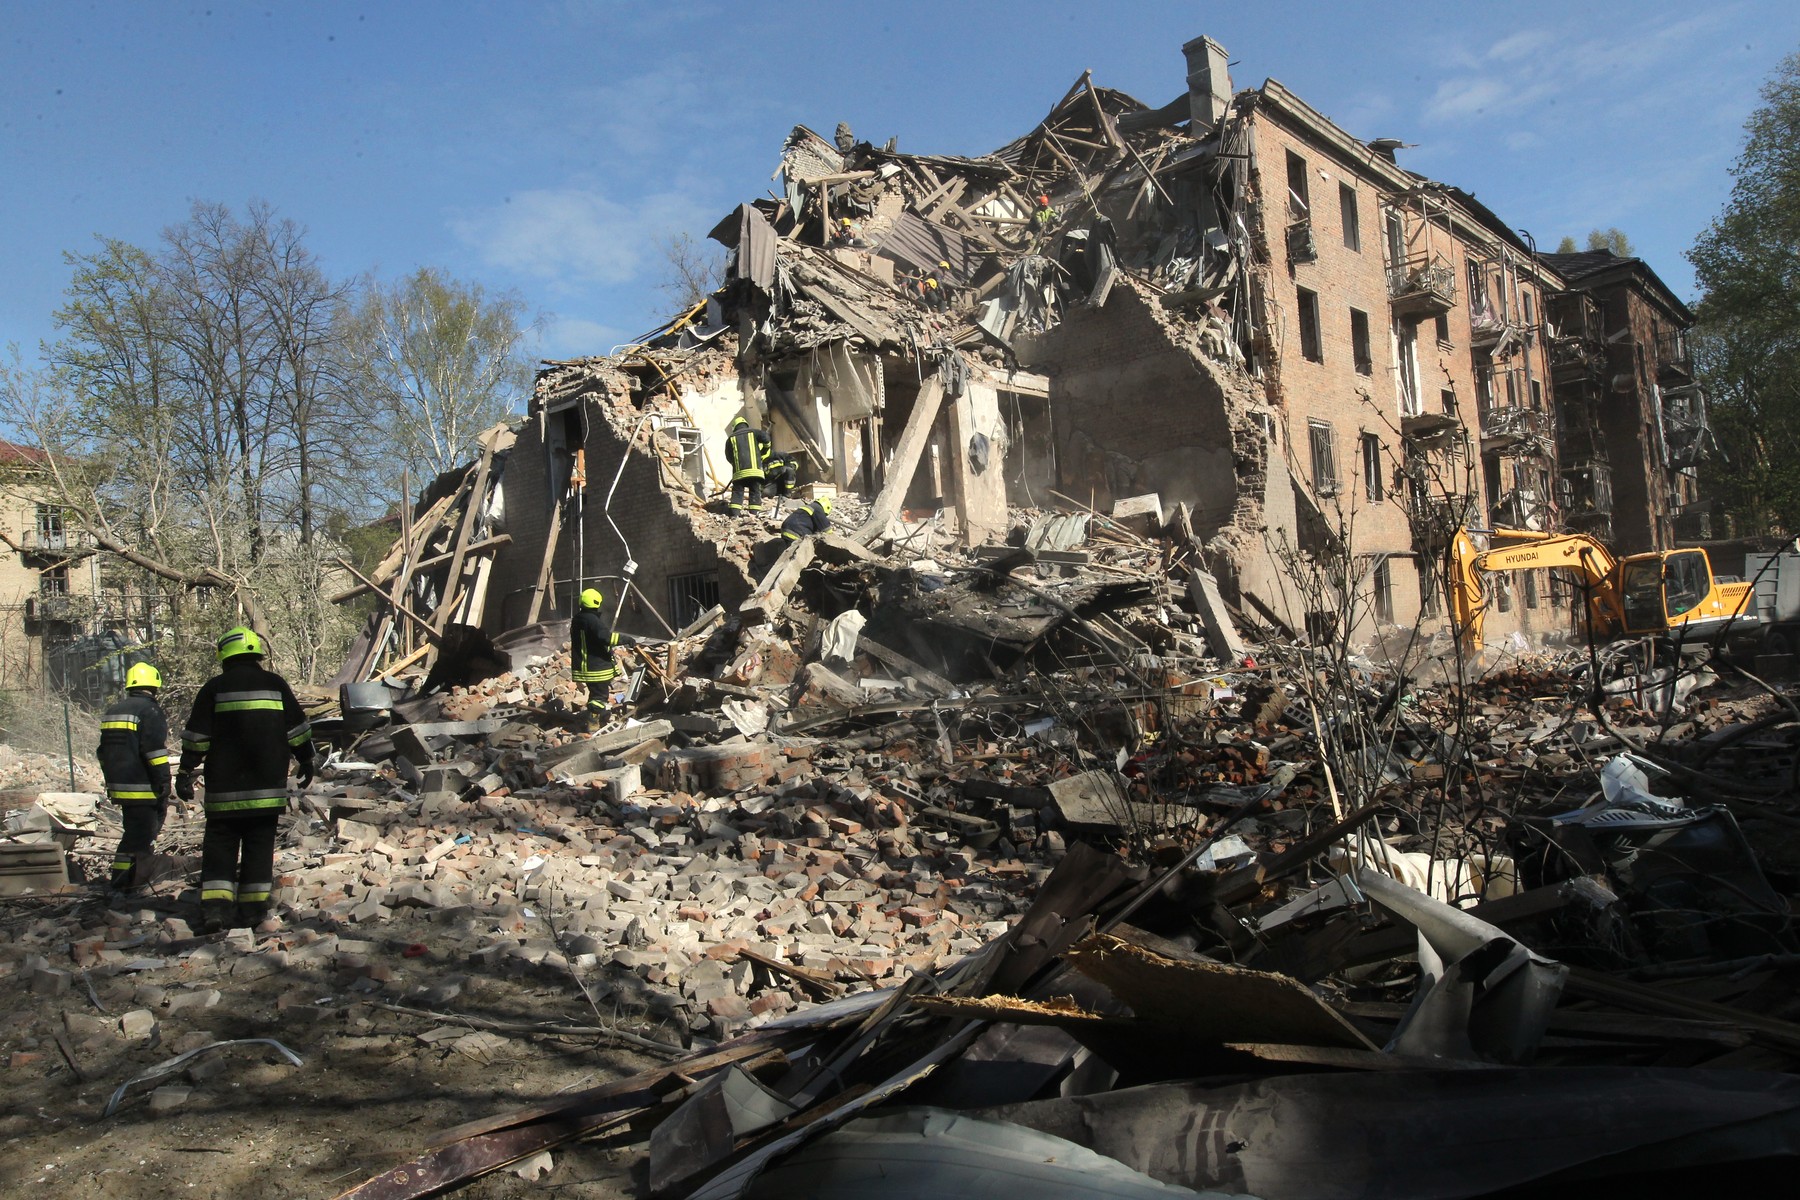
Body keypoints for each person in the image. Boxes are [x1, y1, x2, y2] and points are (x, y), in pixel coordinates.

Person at [177, 626, 313, 933]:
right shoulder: (275, 684)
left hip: (224, 792)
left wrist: (185, 771)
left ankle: (216, 909)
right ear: (256, 655)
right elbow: (297, 729)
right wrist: (306, 759)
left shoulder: (214, 688)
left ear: (224, 656)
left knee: (220, 847)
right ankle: (252, 912)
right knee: (259, 848)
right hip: (266, 791)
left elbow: (198, 738)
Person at [98, 661, 172, 894]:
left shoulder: (113, 710)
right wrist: (164, 779)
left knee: (132, 835)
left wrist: (111, 779)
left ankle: (122, 879)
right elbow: (154, 751)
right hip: (142, 786)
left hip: (119, 785)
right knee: (142, 837)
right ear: (155, 685)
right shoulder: (150, 711)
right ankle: (133, 882)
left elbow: (102, 752)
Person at [571, 588, 638, 729]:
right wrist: (626, 639)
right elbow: (606, 638)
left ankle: (598, 716)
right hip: (596, 668)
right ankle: (593, 724)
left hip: (586, 666)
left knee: (596, 694)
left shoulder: (578, 619)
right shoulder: (592, 620)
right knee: (599, 697)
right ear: (597, 603)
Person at [724, 415, 773, 513]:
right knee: (755, 492)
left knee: (737, 493)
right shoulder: (754, 432)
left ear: (734, 427)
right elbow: (767, 439)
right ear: (746, 425)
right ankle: (754, 514)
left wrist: (735, 465)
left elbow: (728, 456)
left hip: (739, 474)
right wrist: (764, 450)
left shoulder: (730, 438)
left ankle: (734, 514)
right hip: (755, 472)